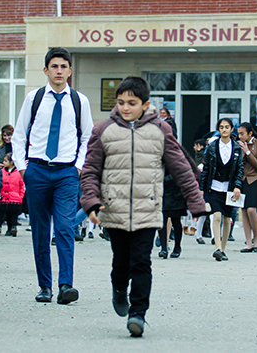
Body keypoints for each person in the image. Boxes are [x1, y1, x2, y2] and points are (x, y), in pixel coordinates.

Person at [80, 76, 205, 337]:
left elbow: (181, 168)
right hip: (113, 211)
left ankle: (138, 313)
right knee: (121, 262)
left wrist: (195, 201)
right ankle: (118, 288)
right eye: (121, 102)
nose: (126, 108)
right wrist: (91, 201)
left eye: (132, 103)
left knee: (141, 262)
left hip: (147, 210)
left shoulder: (160, 130)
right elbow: (91, 171)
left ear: (145, 104)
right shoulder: (103, 130)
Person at [11, 47, 94, 305]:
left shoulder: (80, 101)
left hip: (66, 174)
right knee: (40, 230)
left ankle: (65, 285)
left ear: (70, 70)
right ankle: (44, 286)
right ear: (46, 70)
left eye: (64, 66)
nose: (59, 71)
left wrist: (78, 167)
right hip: (36, 170)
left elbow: (87, 137)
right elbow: (19, 135)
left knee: (65, 228)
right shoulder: (33, 98)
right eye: (54, 66)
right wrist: (23, 168)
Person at [200, 118, 244, 261]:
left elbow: (239, 170)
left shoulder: (237, 148)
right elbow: (206, 168)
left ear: (232, 129)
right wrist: (201, 188)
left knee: (227, 219)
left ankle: (223, 249)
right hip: (213, 187)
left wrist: (237, 186)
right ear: (218, 130)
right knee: (217, 215)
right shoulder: (212, 147)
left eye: (227, 127)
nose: (224, 129)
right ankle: (217, 247)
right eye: (221, 127)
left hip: (229, 189)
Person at [237, 122, 257, 252]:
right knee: (243, 211)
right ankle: (248, 243)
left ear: (250, 133)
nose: (240, 136)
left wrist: (247, 152)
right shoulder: (237, 145)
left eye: (242, 134)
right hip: (241, 180)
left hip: (254, 179)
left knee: (251, 210)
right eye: (238, 134)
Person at [0, 154, 25, 237]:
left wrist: (20, 197)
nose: (3, 163)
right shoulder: (1, 171)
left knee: (12, 214)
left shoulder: (18, 172)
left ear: (11, 162)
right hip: (3, 197)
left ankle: (12, 228)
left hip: (15, 198)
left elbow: (22, 186)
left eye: (5, 161)